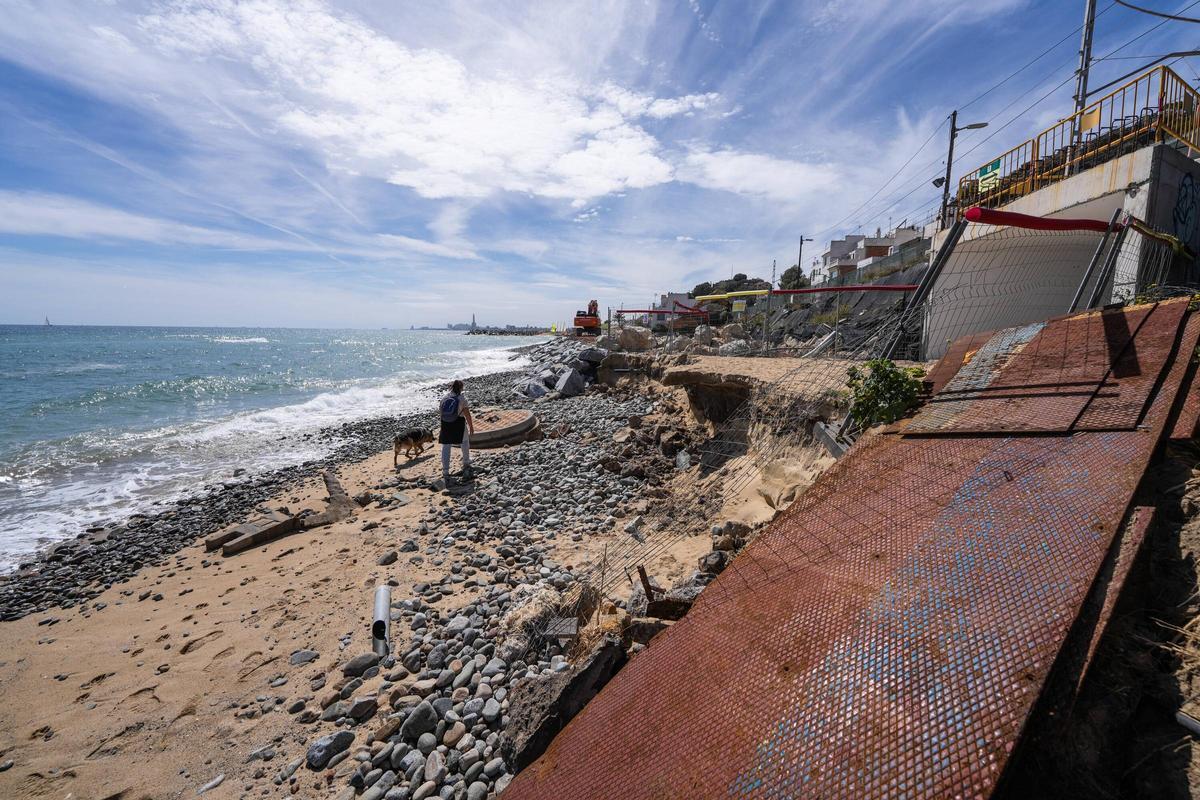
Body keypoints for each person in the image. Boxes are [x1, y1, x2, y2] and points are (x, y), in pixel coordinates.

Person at [438, 379, 474, 484]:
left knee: (446, 446)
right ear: (461, 387)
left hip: (445, 423)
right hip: (458, 422)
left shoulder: (444, 398)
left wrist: (444, 424)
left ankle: (445, 471)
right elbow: (467, 413)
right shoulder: (462, 398)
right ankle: (466, 462)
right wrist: (471, 426)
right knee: (465, 441)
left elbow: (441, 412)